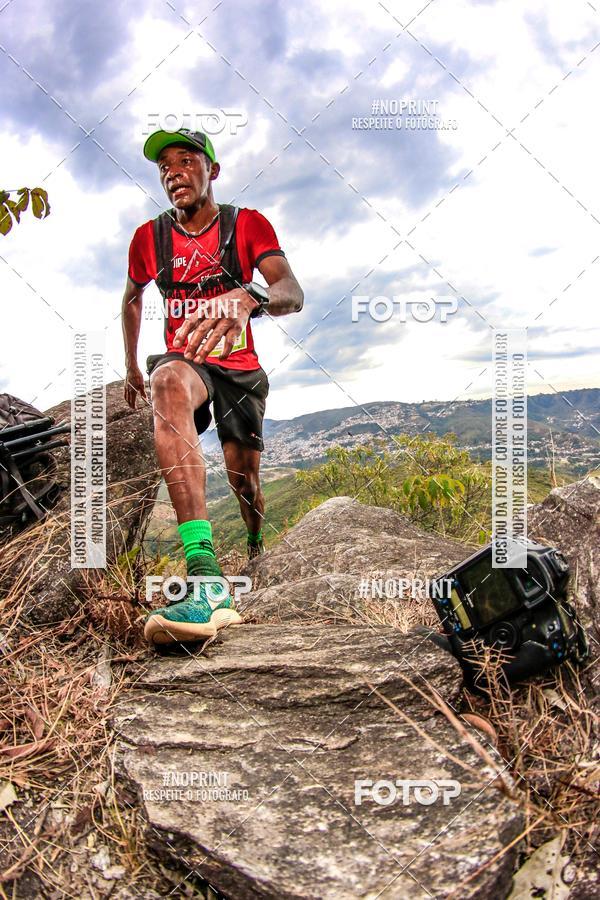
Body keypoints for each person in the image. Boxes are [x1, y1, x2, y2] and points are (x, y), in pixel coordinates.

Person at [121, 128, 303, 646]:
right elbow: (132, 296)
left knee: (243, 478)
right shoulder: (149, 238)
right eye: (164, 167)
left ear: (212, 172)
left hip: (240, 368)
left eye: (185, 161)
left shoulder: (246, 225)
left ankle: (253, 542)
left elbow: (292, 291)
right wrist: (132, 364)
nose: (172, 172)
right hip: (189, 361)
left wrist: (250, 296)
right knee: (167, 383)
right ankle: (206, 579)